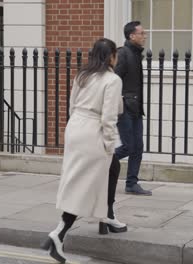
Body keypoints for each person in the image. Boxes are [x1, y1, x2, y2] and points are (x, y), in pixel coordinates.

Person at [41, 38, 126, 264]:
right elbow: (108, 117)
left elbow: (72, 105)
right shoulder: (112, 79)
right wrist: (109, 145)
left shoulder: (82, 75)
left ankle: (107, 215)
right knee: (84, 185)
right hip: (93, 131)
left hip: (76, 127)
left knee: (107, 170)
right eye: (115, 54)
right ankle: (59, 232)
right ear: (111, 57)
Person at [114, 21, 152, 196]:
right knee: (128, 147)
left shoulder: (136, 54)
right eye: (142, 33)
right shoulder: (123, 54)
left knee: (138, 147)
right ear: (132, 36)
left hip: (135, 107)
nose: (144, 36)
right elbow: (114, 81)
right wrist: (120, 102)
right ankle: (100, 162)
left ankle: (132, 184)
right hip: (125, 108)